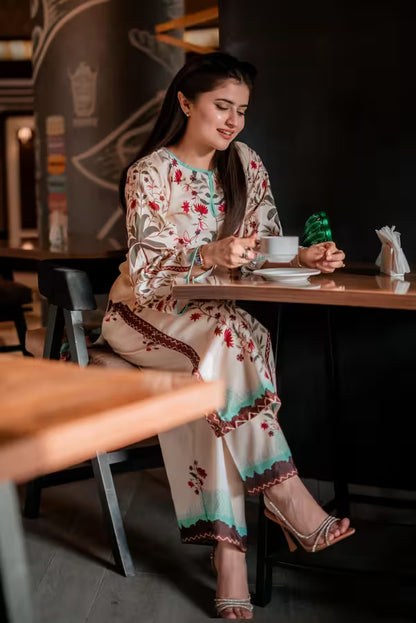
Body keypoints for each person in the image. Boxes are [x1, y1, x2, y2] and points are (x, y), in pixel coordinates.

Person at [102, 52, 354, 620]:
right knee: (227, 338)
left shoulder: (245, 162)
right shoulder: (150, 173)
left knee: (218, 365)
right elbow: (144, 270)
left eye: (241, 110)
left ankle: (229, 554)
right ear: (185, 102)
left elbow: (264, 246)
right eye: (222, 106)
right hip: (144, 316)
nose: (233, 121)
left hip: (215, 327)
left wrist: (307, 257)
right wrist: (205, 252)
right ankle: (285, 494)